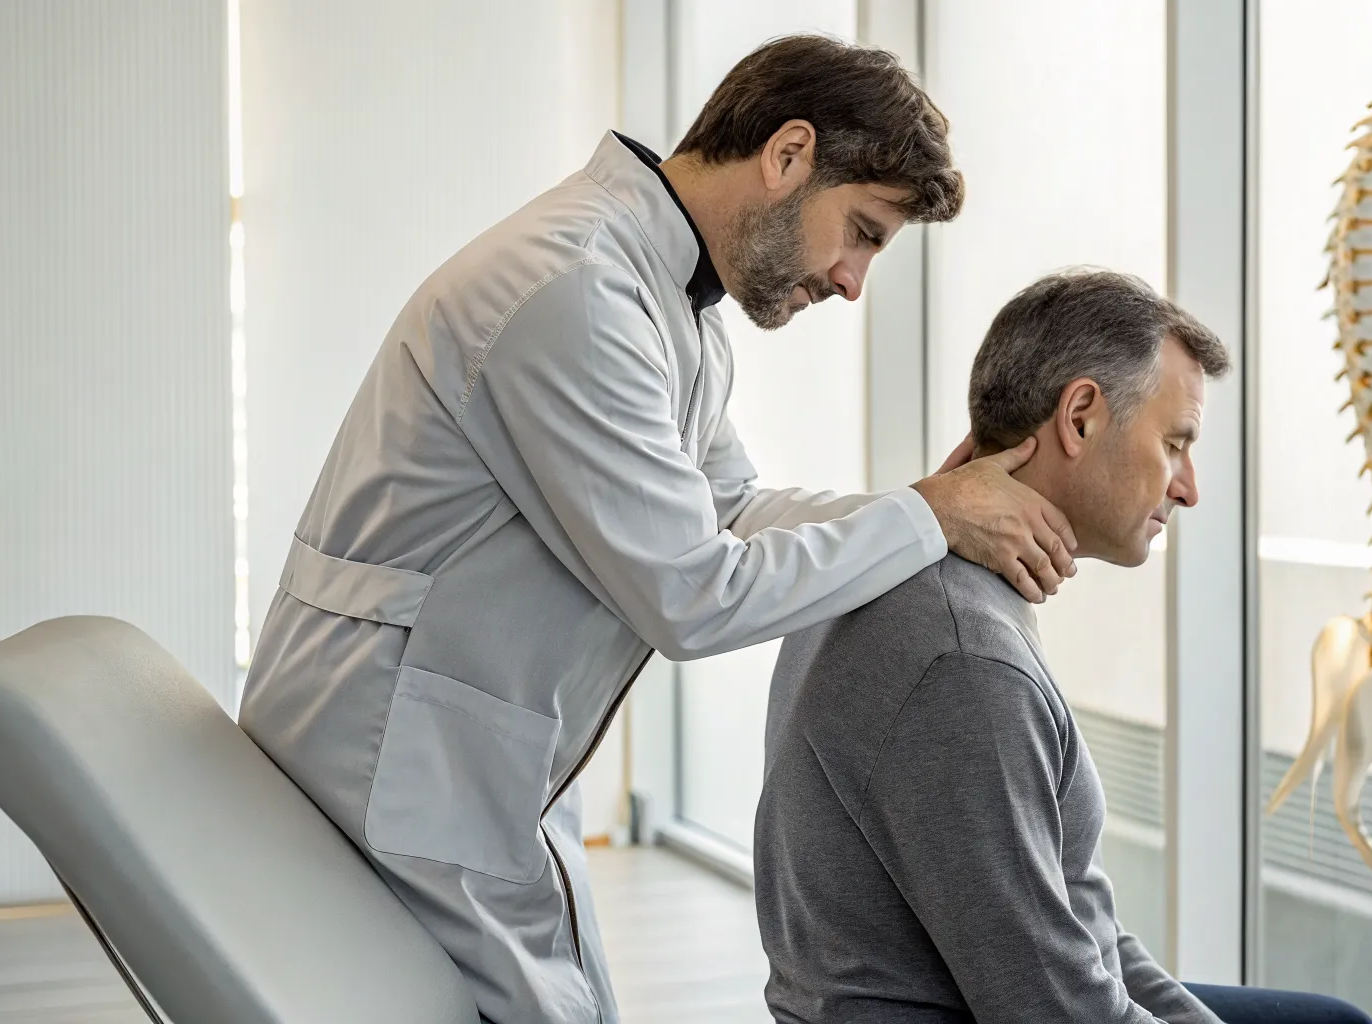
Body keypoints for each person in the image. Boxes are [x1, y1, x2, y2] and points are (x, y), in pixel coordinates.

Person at [236, 34, 1079, 1024]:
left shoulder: (670, 309)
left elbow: (727, 512)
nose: (852, 280)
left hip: (466, 756)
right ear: (786, 154)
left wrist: (927, 510)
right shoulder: (574, 290)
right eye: (861, 232)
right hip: (386, 760)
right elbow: (692, 592)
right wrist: (925, 517)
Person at [756, 270, 1372, 1024]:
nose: (1189, 488)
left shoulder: (887, 565)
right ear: (1080, 417)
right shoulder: (962, 662)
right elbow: (1053, 1007)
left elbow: (1082, 924)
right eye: (1175, 444)